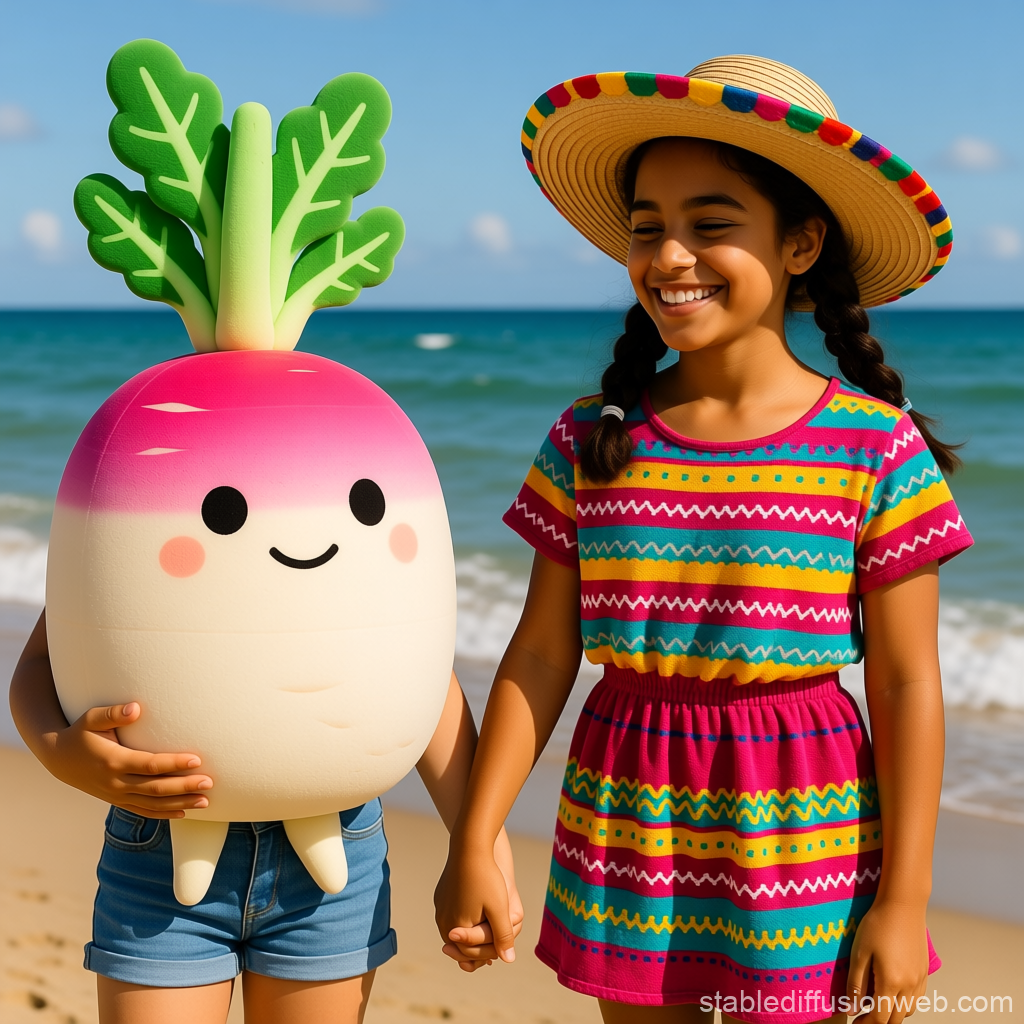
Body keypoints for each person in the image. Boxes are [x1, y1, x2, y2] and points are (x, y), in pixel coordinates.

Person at [434, 56, 971, 1024]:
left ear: (800, 243)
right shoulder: (589, 436)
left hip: (804, 819)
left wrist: (903, 897)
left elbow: (903, 681)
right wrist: (477, 835)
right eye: (649, 229)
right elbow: (544, 652)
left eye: (711, 224)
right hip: (624, 808)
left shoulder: (874, 447)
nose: (670, 256)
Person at [10, 613, 522, 1024]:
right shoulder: (155, 485)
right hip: (161, 846)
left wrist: (483, 849)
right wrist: (58, 751)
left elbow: (416, 667)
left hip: (332, 862)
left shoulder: (351, 490)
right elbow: (41, 658)